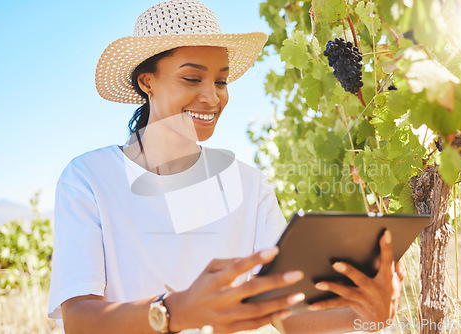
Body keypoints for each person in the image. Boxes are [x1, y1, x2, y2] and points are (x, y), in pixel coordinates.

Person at [47, 1, 405, 333]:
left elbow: (288, 315)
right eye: (192, 78)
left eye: (221, 80)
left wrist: (368, 314)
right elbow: (78, 318)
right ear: (147, 82)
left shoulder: (248, 185)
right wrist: (174, 311)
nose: (213, 96)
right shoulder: (88, 179)